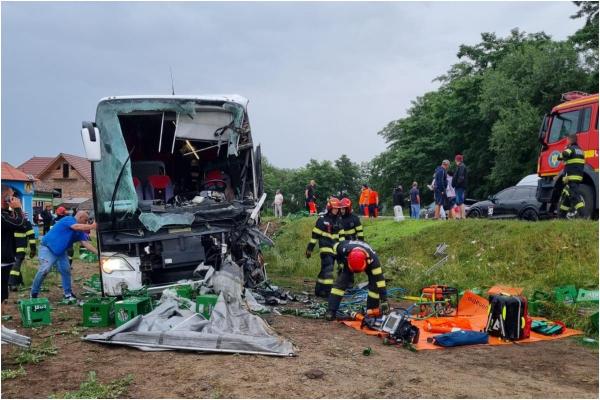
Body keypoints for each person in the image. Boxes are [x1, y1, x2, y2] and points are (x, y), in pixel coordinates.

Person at [30, 211, 98, 300]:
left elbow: (85, 243)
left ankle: (68, 294)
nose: (85, 223)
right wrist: (92, 226)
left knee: (66, 271)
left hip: (61, 252)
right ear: (80, 217)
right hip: (48, 248)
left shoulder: (80, 232)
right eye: (85, 220)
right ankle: (33, 293)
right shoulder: (68, 219)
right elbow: (76, 226)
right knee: (44, 270)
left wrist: (98, 253)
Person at [325, 240, 388, 321]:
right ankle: (331, 311)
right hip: (349, 262)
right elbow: (335, 247)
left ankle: (371, 312)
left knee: (375, 286)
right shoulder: (343, 248)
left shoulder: (374, 261)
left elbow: (380, 281)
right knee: (339, 285)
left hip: (367, 262)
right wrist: (340, 263)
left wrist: (384, 300)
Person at [306, 198, 342, 298]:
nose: (336, 210)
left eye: (337, 209)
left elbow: (342, 237)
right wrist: (310, 249)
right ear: (330, 208)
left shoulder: (339, 220)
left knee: (324, 270)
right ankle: (327, 292)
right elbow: (315, 236)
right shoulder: (322, 220)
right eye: (334, 208)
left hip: (335, 250)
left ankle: (319, 290)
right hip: (325, 249)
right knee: (329, 270)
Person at [1, 186, 25, 302]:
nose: (13, 199)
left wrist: (15, 211)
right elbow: (19, 224)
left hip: (6, 258)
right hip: (2, 259)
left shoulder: (5, 213)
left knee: (3, 293)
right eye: (11, 197)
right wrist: (18, 209)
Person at [557, 133, 586, 218]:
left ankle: (583, 215)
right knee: (567, 197)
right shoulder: (581, 150)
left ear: (570, 140)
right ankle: (561, 216)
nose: (566, 141)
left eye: (567, 140)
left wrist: (560, 155)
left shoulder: (570, 149)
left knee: (574, 196)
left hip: (571, 177)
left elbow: (564, 155)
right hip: (578, 177)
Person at [8, 212, 36, 291]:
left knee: (16, 265)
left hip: (20, 248)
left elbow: (31, 237)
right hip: (11, 248)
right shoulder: (12, 222)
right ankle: (17, 282)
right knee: (14, 265)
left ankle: (12, 283)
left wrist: (33, 249)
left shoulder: (26, 224)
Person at [453, 154, 468, 219]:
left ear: (457, 160)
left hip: (460, 186)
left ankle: (463, 216)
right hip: (459, 186)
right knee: (458, 201)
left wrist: (456, 184)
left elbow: (461, 177)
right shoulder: (460, 166)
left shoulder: (461, 166)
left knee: (460, 201)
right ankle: (459, 216)